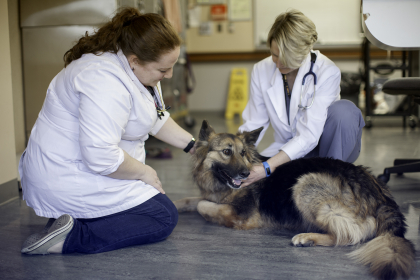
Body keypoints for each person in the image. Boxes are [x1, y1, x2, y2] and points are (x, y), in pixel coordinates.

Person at [19, 8, 196, 255]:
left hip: (89, 169)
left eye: (172, 66)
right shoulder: (103, 79)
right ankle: (69, 238)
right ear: (135, 60)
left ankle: (71, 222)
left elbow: (153, 117)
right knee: (163, 216)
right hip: (69, 176)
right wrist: (145, 172)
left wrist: (195, 146)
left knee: (155, 207)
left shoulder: (132, 70)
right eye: (163, 70)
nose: (169, 75)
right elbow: (100, 155)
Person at [239, 10, 365, 187]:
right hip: (287, 147)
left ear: (303, 52)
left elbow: (309, 136)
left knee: (345, 111)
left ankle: (332, 179)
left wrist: (268, 167)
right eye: (274, 55)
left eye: (286, 58)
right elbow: (254, 123)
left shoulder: (326, 71)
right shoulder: (261, 70)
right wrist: (236, 154)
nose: (278, 63)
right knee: (258, 184)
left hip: (329, 149)